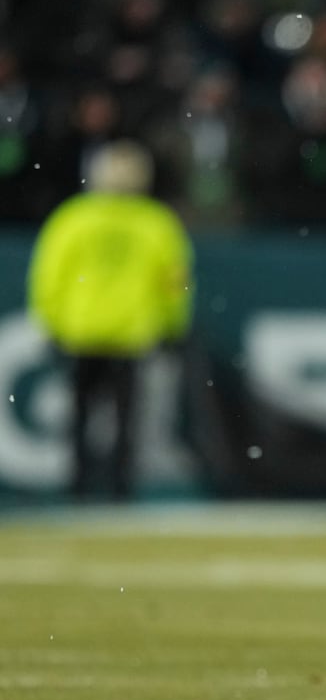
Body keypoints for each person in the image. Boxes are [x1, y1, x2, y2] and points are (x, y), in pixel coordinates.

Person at [26, 139, 194, 500]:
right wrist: (173, 325)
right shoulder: (156, 223)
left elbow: (48, 275)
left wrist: (49, 321)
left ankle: (79, 484)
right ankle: (120, 487)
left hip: (82, 328)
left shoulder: (74, 219)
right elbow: (175, 282)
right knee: (125, 417)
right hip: (131, 331)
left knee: (80, 414)